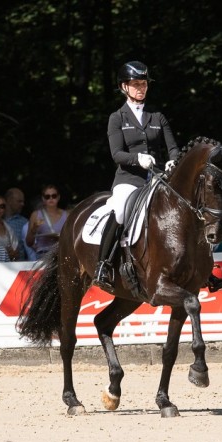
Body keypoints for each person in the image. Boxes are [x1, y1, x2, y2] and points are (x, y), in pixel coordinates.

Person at [92, 60, 180, 289]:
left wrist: (173, 160)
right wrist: (137, 159)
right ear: (124, 87)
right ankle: (104, 264)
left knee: (186, 204)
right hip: (129, 179)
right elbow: (116, 154)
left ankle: (203, 267)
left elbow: (172, 147)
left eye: (144, 84)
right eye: (135, 84)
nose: (141, 88)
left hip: (158, 177)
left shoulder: (157, 116)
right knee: (120, 209)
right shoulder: (117, 118)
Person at [25, 184, 68, 259]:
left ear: (58, 197)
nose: (51, 198)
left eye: (54, 196)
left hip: (61, 254)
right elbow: (29, 243)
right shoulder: (35, 215)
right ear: (43, 199)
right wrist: (33, 230)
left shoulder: (66, 215)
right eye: (47, 197)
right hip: (43, 255)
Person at [4, 187, 28, 261]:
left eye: (23, 201)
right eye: (19, 201)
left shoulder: (25, 222)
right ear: (9, 201)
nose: (22, 204)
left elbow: (30, 248)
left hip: (19, 266)